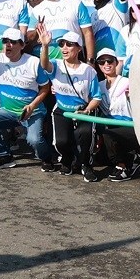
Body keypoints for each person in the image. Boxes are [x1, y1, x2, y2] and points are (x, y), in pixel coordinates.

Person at [0, 27, 54, 170]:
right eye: (5, 41)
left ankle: (46, 158)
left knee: (34, 140)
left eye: (13, 42)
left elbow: (45, 88)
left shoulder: (34, 62)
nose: (8, 45)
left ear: (22, 45)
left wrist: (32, 106)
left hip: (31, 112)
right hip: (7, 111)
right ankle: (4, 155)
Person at [44, 29, 104, 176]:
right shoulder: (56, 65)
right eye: (62, 44)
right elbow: (44, 65)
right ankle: (67, 160)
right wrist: (45, 46)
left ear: (78, 48)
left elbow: (96, 97)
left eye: (69, 44)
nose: (64, 47)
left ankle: (86, 164)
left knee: (85, 135)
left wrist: (86, 110)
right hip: (62, 110)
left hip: (83, 110)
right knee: (61, 142)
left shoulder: (89, 71)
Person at [94, 48, 140, 182]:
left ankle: (123, 166)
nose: (106, 64)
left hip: (130, 125)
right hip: (110, 125)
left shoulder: (127, 82)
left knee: (109, 134)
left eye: (109, 61)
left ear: (116, 63)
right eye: (102, 62)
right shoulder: (98, 85)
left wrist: (133, 95)